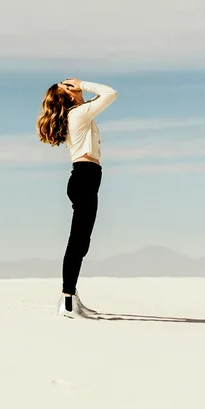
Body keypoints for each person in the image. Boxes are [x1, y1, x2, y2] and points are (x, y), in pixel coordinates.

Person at [36, 77, 118, 319]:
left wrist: (80, 90)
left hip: (86, 178)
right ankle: (68, 303)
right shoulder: (78, 114)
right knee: (77, 243)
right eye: (68, 85)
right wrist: (83, 83)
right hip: (85, 178)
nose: (73, 85)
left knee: (81, 243)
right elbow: (110, 93)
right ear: (69, 95)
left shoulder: (79, 113)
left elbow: (100, 99)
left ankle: (71, 298)